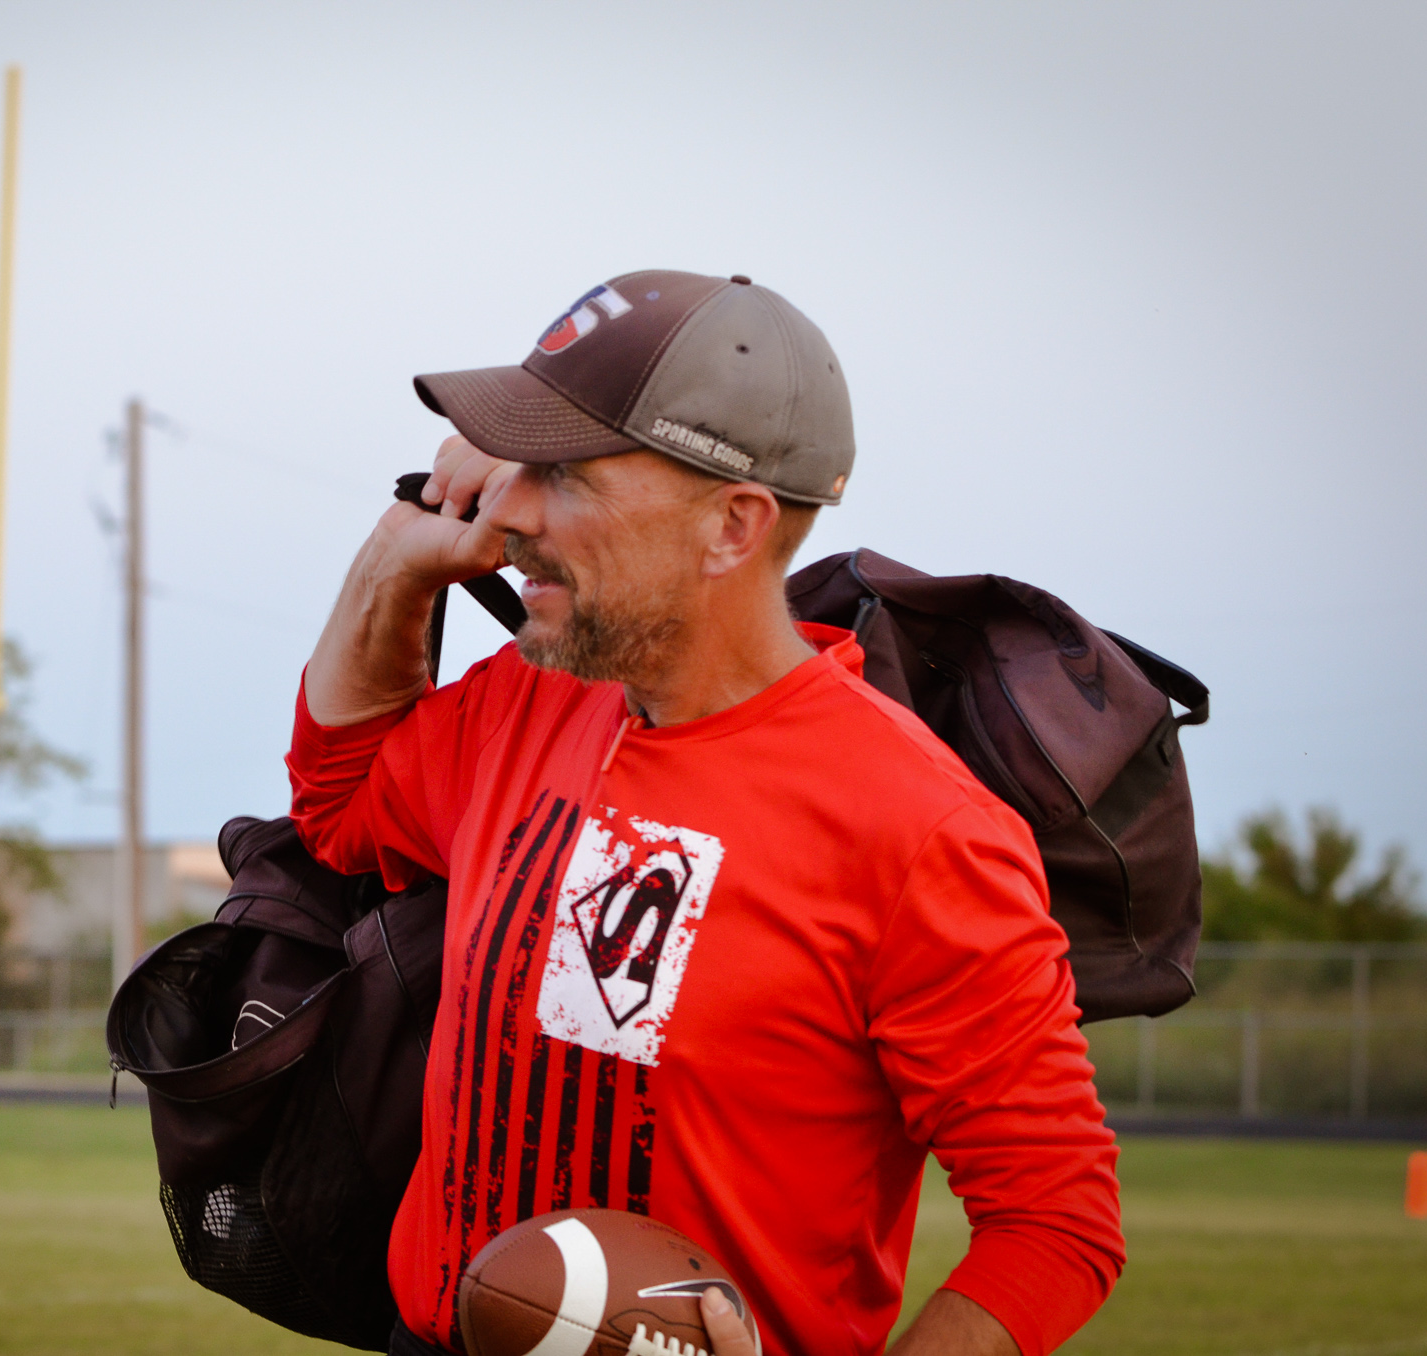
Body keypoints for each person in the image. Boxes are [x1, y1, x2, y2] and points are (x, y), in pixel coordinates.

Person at [286, 270, 1124, 1356]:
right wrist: (395, 561)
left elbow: (1054, 1221)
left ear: (732, 525)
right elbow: (340, 806)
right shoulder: (531, 701)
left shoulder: (919, 832)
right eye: (517, 466)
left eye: (566, 476)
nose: (514, 512)